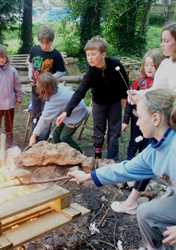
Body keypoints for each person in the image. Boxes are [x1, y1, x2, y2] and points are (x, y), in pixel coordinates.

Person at [67, 88, 176, 250]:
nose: (137, 123)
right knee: (146, 212)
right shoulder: (154, 152)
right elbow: (124, 169)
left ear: (155, 119)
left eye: (139, 117)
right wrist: (87, 176)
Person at [56, 35, 128, 162]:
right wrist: (66, 111)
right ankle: (98, 158)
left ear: (103, 54)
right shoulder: (90, 74)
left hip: (114, 103)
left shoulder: (115, 65)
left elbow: (124, 83)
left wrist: (125, 97)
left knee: (114, 132)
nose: (90, 57)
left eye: (93, 54)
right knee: (98, 132)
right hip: (99, 104)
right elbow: (79, 93)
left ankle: (113, 159)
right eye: (88, 54)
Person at [111, 50, 163, 215]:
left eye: (152, 65)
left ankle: (140, 174)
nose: (149, 68)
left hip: (151, 124)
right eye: (146, 64)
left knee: (146, 149)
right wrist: (126, 121)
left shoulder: (161, 84)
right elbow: (130, 105)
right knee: (133, 144)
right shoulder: (137, 83)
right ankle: (130, 172)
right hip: (136, 120)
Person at [29, 72, 88, 153]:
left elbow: (45, 120)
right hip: (66, 114)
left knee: (64, 137)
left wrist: (34, 136)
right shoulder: (56, 88)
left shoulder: (54, 101)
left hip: (77, 114)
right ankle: (60, 152)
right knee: (55, 134)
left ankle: (80, 152)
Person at [28, 25, 66, 142]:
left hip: (48, 92)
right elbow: (31, 63)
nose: (44, 46)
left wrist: (49, 79)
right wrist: (30, 75)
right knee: (35, 114)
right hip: (35, 89)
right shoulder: (34, 50)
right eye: (42, 43)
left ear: (51, 41)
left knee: (46, 114)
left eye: (47, 43)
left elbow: (62, 71)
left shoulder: (56, 54)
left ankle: (43, 140)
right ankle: (35, 137)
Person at [128, 22, 176, 104]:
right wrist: (138, 94)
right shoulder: (166, 63)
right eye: (161, 41)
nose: (162, 45)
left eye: (166, 41)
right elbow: (155, 90)